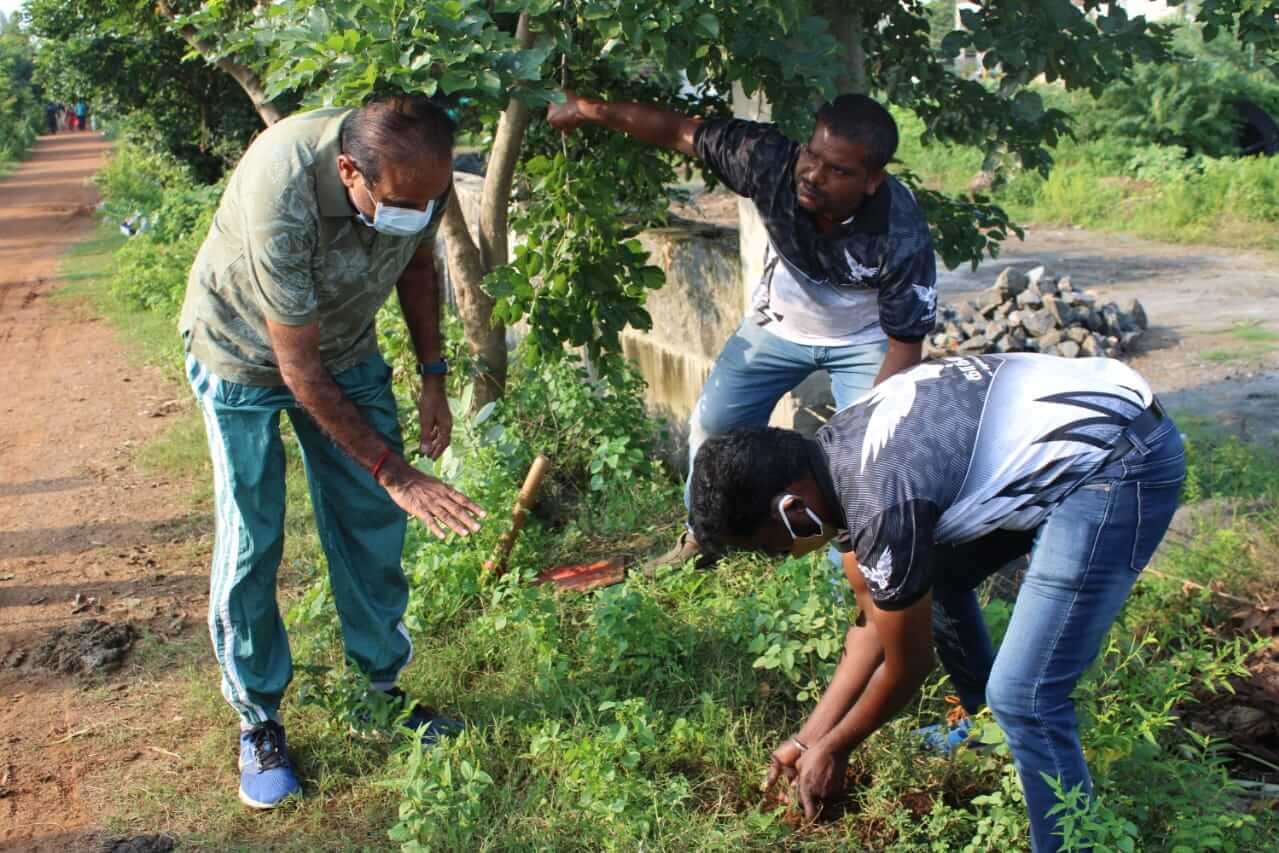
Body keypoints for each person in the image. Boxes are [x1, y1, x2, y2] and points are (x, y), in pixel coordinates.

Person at [688, 353, 1185, 852]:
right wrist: (807, 740)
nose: (774, 559)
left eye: (764, 547)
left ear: (791, 509)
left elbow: (909, 664)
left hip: (1118, 460)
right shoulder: (830, 464)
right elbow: (871, 625)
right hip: (1092, 419)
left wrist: (837, 748)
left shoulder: (881, 500)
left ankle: (1068, 842)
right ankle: (986, 731)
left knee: (1026, 697)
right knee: (927, 579)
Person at [179, 95, 487, 810]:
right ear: (349, 170)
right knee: (253, 536)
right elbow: (299, 371)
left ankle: (380, 690)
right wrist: (394, 468)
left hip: (345, 348)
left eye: (430, 200)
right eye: (403, 201)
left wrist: (433, 377)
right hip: (243, 356)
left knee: (370, 524)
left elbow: (415, 267)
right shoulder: (279, 186)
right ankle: (260, 722)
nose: (420, 210)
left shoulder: (419, 177)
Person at [547, 89, 937, 573]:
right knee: (711, 427)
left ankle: (854, 585)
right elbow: (677, 131)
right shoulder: (769, 162)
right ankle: (701, 539)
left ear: (872, 180)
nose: (814, 175)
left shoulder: (900, 232)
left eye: (838, 171)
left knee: (866, 465)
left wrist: (870, 435)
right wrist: (587, 109)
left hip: (864, 344)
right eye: (812, 156)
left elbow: (905, 347)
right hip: (774, 328)